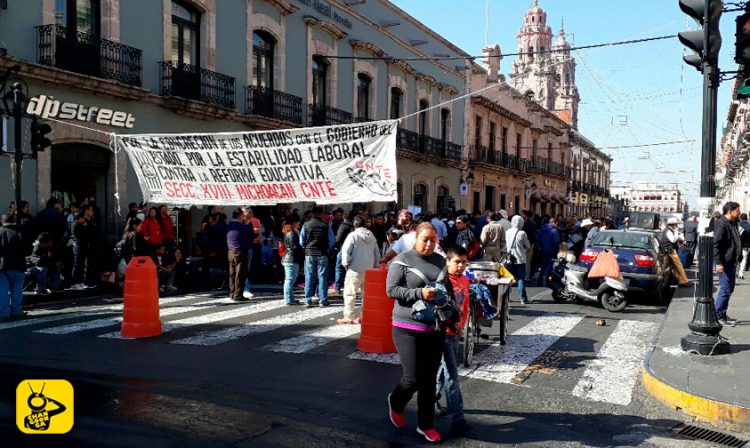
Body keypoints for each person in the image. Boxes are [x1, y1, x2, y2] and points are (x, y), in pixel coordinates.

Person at [386, 222, 446, 443]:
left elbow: (445, 288)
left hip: (434, 327)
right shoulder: (401, 261)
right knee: (412, 378)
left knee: (429, 380)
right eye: (425, 239)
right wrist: (420, 292)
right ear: (416, 239)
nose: (429, 244)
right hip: (406, 327)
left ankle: (426, 425)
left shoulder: (441, 261)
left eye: (433, 240)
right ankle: (397, 401)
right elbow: (391, 290)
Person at [434, 245, 473, 436]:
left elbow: (465, 304)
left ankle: (429, 399)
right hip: (443, 333)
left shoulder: (465, 280)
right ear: (448, 261)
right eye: (457, 261)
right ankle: (457, 418)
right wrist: (450, 325)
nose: (461, 266)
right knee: (451, 374)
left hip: (456, 331)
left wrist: (462, 324)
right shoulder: (441, 281)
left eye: (464, 262)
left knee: (443, 371)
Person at [338, 216, 380, 324]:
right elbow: (377, 253)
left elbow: (346, 250)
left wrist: (346, 264)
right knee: (366, 295)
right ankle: (364, 315)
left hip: (355, 269)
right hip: (369, 270)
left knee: (350, 293)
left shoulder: (353, 235)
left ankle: (349, 316)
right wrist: (375, 266)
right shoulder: (372, 236)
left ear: (354, 225)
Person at [714, 202, 743, 325]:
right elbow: (716, 245)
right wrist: (718, 263)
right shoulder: (722, 224)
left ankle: (722, 314)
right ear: (730, 211)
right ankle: (717, 315)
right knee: (725, 289)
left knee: (729, 288)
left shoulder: (733, 223)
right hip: (724, 262)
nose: (739, 213)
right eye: (737, 211)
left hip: (731, 261)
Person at [300, 206, 334, 307]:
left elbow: (302, 241)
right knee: (322, 277)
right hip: (322, 253)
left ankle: (308, 300)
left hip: (309, 253)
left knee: (309, 276)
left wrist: (306, 247)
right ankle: (323, 300)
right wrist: (328, 248)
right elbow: (332, 241)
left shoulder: (306, 225)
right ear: (321, 214)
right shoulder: (326, 225)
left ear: (312, 214)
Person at [0, 213, 27, 320]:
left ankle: (4, 313)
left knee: (2, 290)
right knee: (17, 289)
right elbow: (28, 250)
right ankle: (16, 311)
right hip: (18, 264)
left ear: (2, 222)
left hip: (2, 265)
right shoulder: (20, 232)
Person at [226, 208, 253, 302]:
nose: (243, 217)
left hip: (230, 251)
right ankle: (238, 295)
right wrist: (248, 223)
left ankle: (232, 293)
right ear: (240, 216)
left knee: (232, 273)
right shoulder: (241, 225)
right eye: (242, 216)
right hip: (240, 251)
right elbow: (250, 234)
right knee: (240, 274)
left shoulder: (229, 225)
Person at [506, 215, 531, 304]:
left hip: (510, 259)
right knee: (520, 279)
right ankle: (523, 298)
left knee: (508, 279)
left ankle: (506, 297)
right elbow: (528, 245)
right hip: (520, 258)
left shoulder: (507, 232)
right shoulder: (522, 233)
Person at [281, 217, 304, 305]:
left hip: (288, 258)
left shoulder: (288, 232)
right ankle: (288, 299)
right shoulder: (293, 233)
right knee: (289, 280)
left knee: (290, 280)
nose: (299, 224)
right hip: (291, 258)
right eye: (298, 222)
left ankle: (290, 298)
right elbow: (294, 247)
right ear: (293, 223)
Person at [660, 218, 690, 287]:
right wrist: (676, 232)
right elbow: (673, 240)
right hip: (670, 251)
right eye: (676, 224)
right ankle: (684, 281)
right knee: (678, 265)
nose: (677, 226)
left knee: (672, 267)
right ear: (673, 225)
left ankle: (682, 281)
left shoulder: (669, 230)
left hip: (668, 251)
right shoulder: (668, 231)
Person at [244, 207, 262, 298]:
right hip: (248, 246)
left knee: (249, 266)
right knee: (246, 267)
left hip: (252, 244)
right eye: (249, 212)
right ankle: (245, 288)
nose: (251, 214)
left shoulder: (251, 222)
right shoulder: (244, 222)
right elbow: (258, 231)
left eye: (251, 212)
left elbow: (258, 231)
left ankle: (246, 286)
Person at [537, 217, 561, 287]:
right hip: (552, 250)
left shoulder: (542, 229)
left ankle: (540, 280)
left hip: (543, 250)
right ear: (554, 222)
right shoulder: (554, 231)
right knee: (550, 266)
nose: (557, 225)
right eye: (557, 224)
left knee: (543, 265)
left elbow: (538, 239)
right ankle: (548, 281)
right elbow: (556, 242)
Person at [737, 213, 750, 279]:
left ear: (741, 218)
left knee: (738, 259)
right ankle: (741, 273)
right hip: (747, 246)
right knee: (744, 259)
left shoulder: (739, 226)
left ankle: (738, 272)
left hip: (739, 245)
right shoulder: (749, 225)